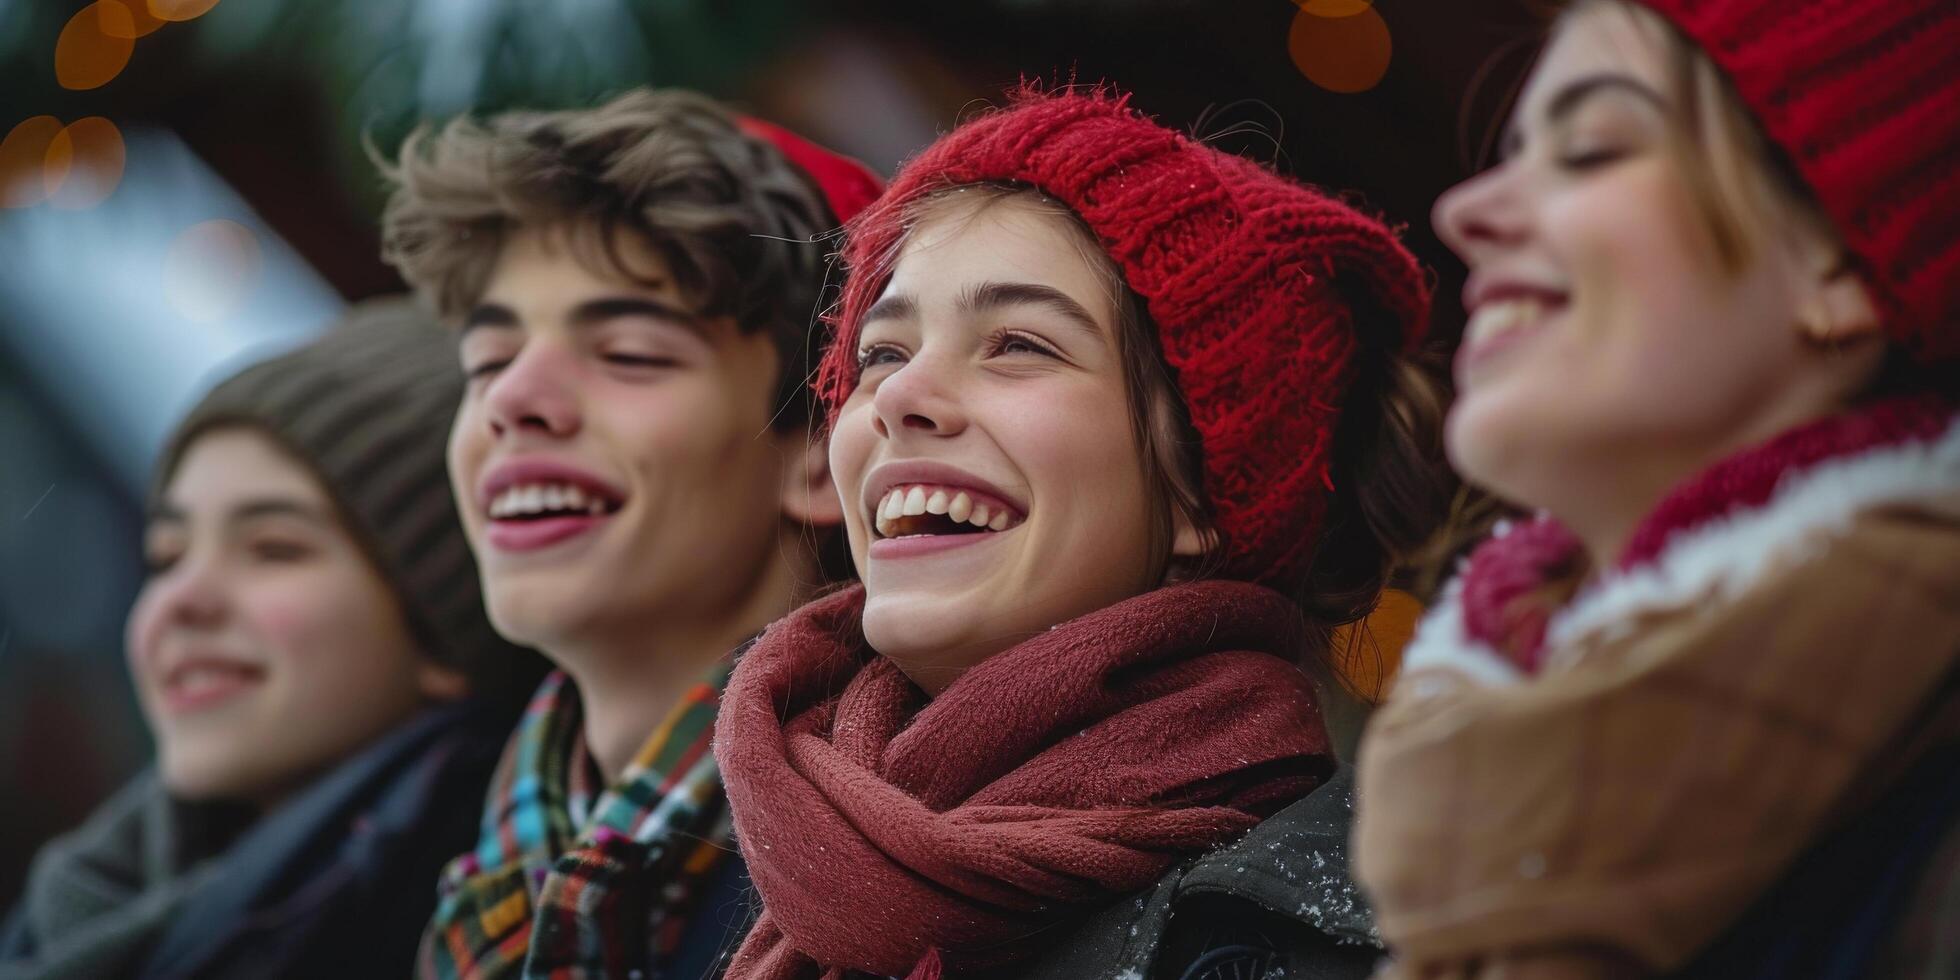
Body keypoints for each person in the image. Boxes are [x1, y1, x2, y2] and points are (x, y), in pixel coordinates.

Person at [712, 87, 1452, 980]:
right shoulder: (798, 858)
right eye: (883, 353)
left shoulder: (1298, 938)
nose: (899, 399)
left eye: (1020, 343)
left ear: (1198, 492)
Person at [1354, 1, 1960, 976]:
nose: (1463, 211)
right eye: (1511, 150)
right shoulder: (1448, 833)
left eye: (1590, 148)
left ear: (1844, 263)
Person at [378, 87, 882, 979]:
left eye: (630, 356)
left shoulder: (907, 872)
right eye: (485, 362)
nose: (511, 400)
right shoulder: (439, 863)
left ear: (818, 452)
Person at [0, 300, 545, 980]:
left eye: (273, 549)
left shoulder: (483, 926)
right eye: (167, 555)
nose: (181, 601)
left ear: (445, 634)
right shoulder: (97, 896)